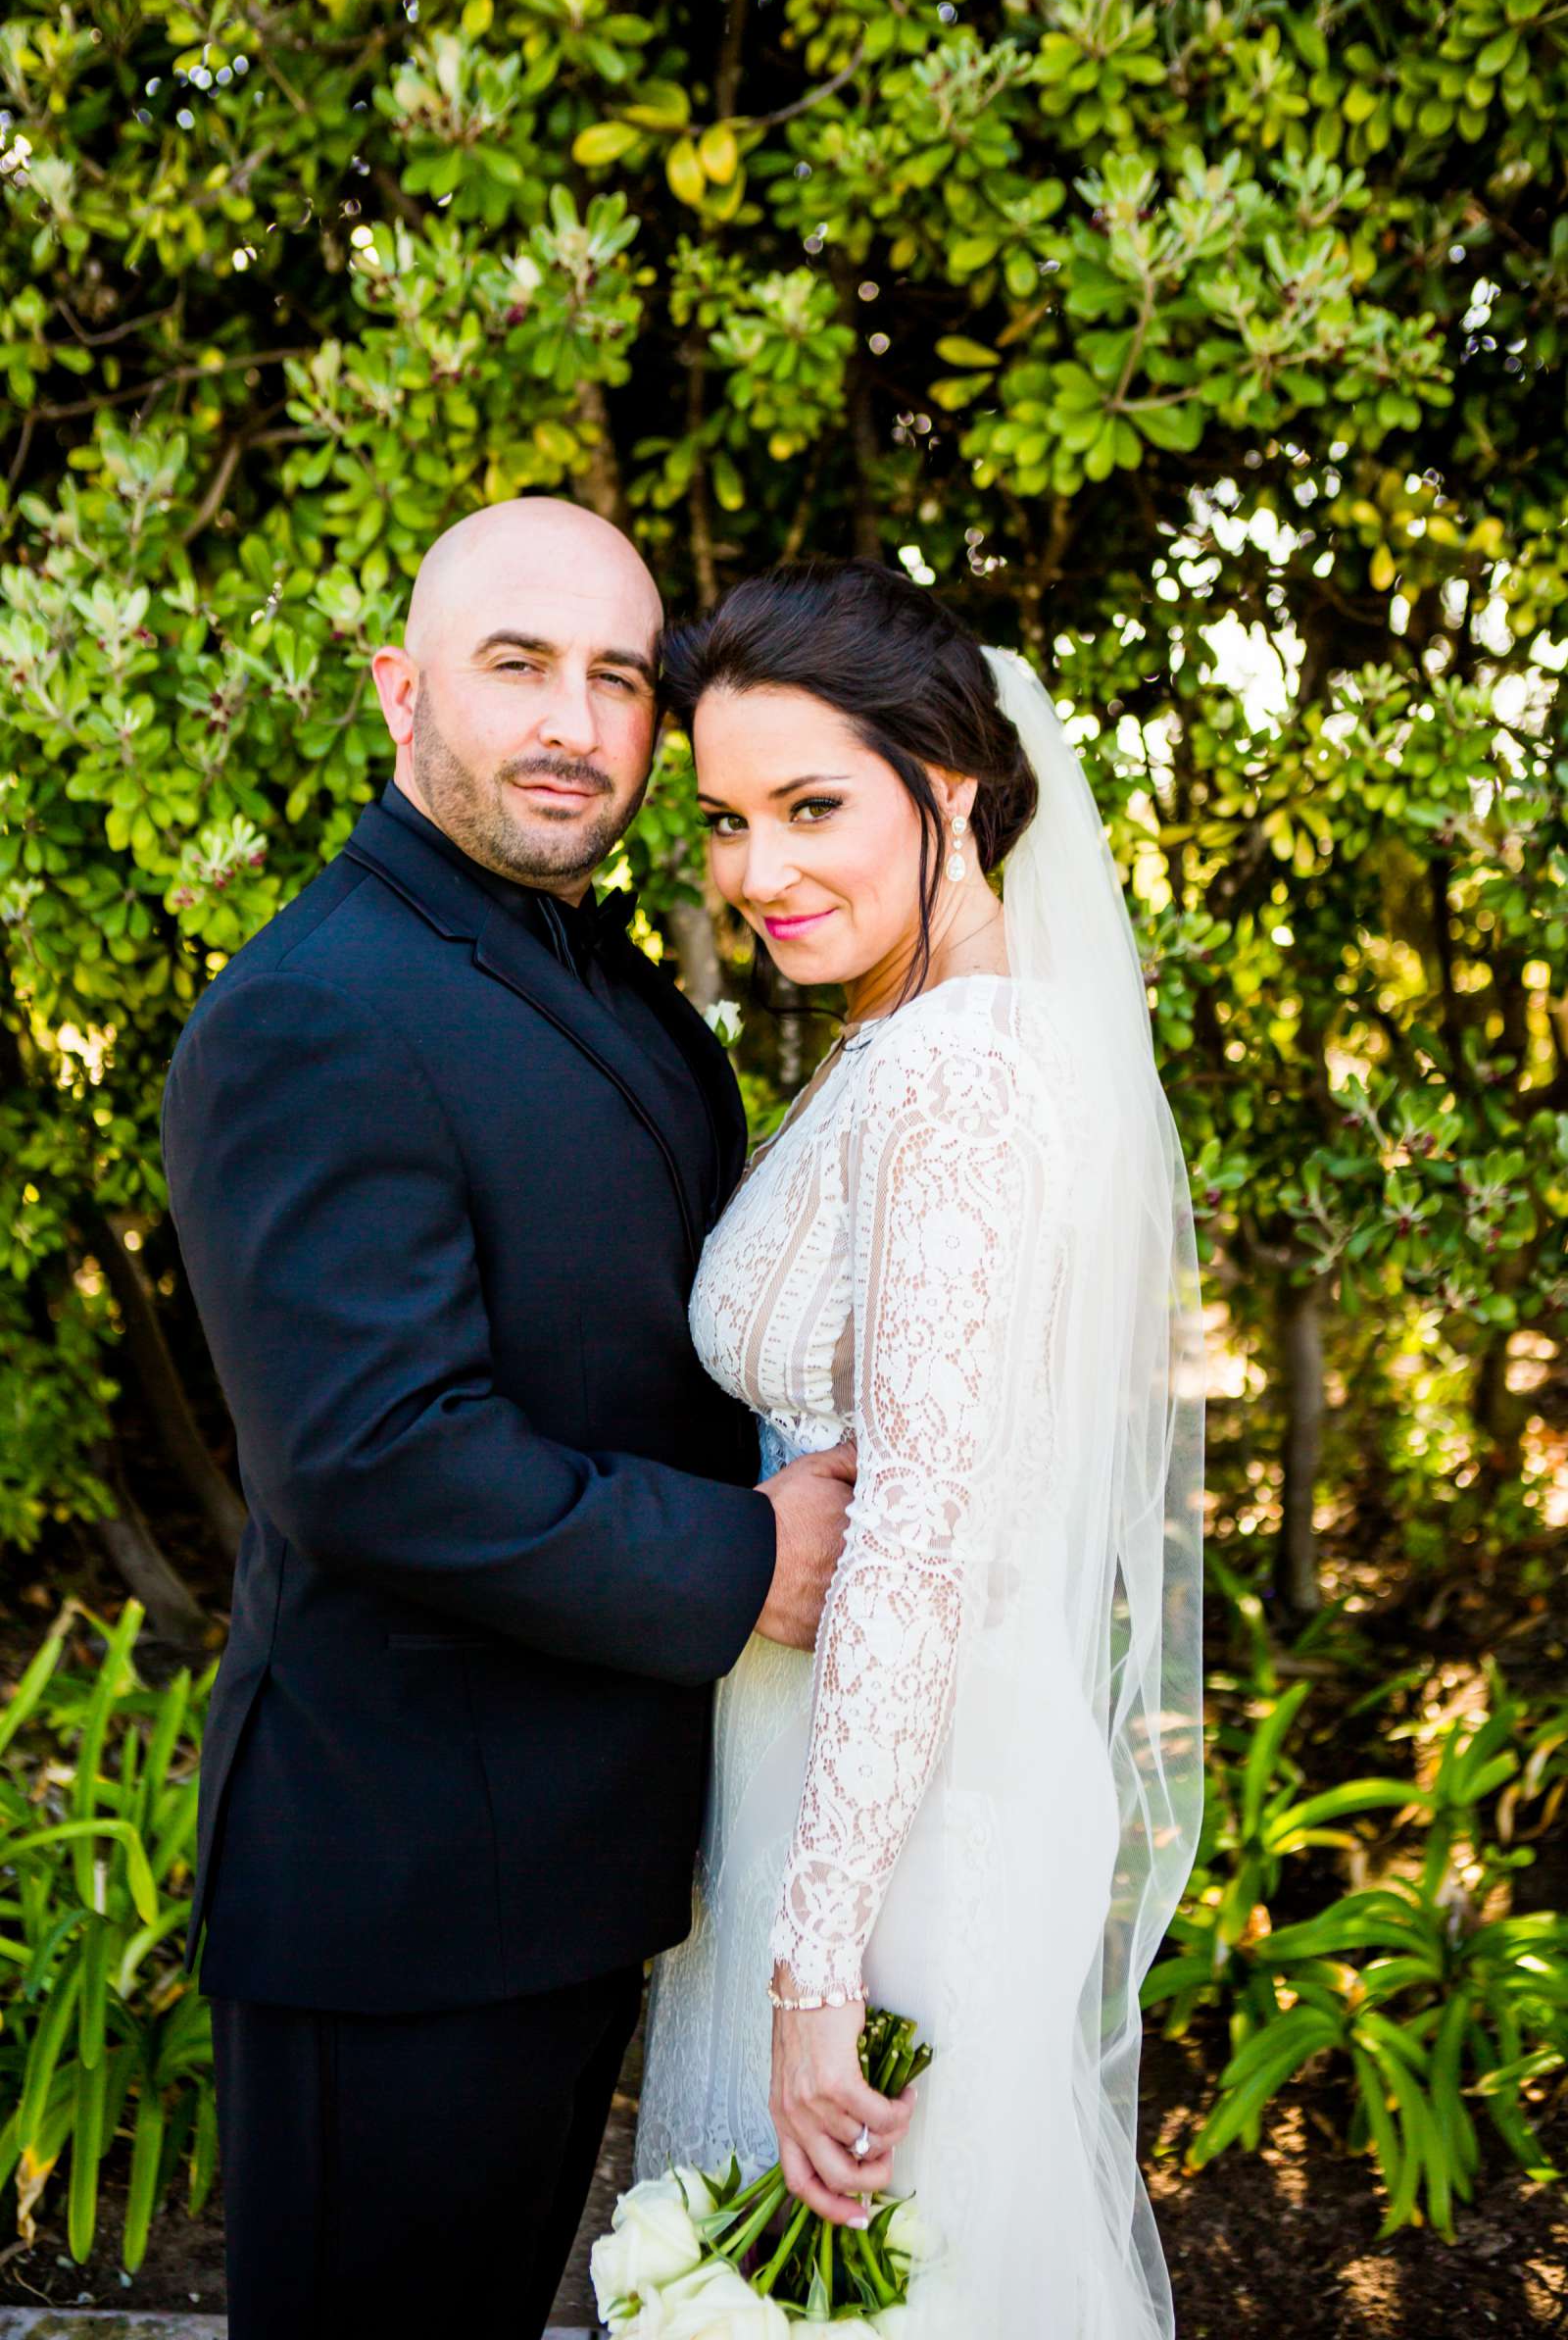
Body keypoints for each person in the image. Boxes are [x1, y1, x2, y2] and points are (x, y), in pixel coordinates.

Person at [160, 498, 858, 2340]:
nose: (573, 719)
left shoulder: (617, 995)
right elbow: (373, 1454)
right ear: (403, 692)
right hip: (396, 1903)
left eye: (618, 678)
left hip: (567, 1874)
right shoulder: (311, 1011)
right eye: (517, 665)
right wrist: (742, 1560)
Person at [635, 559, 1205, 2337]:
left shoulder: (960, 1072)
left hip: (893, 1829)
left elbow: (924, 1532)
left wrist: (818, 1971)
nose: (759, 872)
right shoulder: (924, 1040)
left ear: (947, 783)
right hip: (852, 1774)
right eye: (726, 819)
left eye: (813, 805)